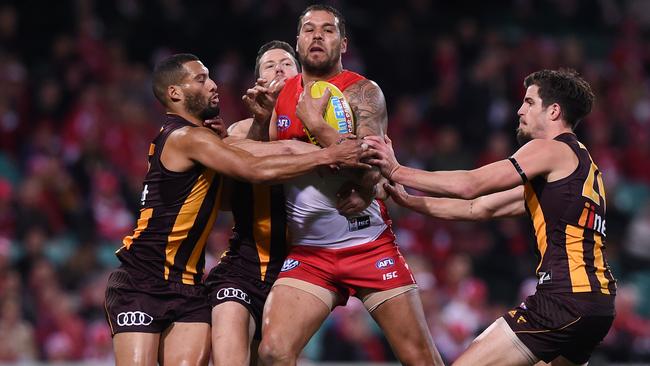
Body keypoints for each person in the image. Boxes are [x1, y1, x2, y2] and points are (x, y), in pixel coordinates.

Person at [103, 53, 370, 366]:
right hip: (141, 278)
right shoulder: (185, 137)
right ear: (175, 93)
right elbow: (253, 168)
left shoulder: (208, 139)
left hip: (189, 287)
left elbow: (236, 190)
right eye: (201, 79)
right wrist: (329, 155)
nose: (214, 85)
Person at [365, 69, 616, 366]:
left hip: (563, 299)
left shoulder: (551, 149)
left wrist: (397, 170)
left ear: (554, 111)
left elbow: (471, 185)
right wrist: (409, 200)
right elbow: (480, 208)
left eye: (529, 102)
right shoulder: (584, 167)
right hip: (598, 304)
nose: (520, 110)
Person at [257, 5, 444, 366]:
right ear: (297, 41)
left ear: (343, 43)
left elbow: (376, 166)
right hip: (311, 253)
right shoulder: (280, 95)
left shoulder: (363, 93)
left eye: (328, 30)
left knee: (420, 359)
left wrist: (319, 127)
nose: (316, 36)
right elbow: (266, 159)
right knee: (273, 352)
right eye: (309, 29)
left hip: (367, 245)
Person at [204, 40, 300, 366]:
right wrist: (257, 127)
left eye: (286, 63)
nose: (278, 69)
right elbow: (228, 201)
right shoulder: (240, 130)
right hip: (243, 263)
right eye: (269, 65)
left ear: (301, 75)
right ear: (257, 81)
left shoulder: (317, 131)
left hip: (298, 272)